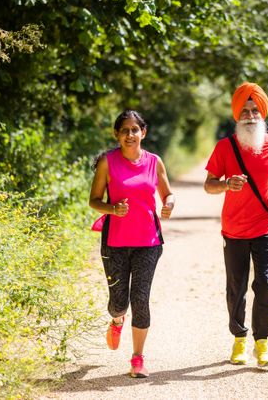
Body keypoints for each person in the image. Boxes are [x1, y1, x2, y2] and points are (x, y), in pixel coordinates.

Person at [204, 82, 268, 367]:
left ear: (262, 114)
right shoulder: (224, 147)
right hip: (235, 228)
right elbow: (208, 185)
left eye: (255, 111)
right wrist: (227, 184)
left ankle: (261, 344)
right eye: (245, 111)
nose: (250, 115)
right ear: (237, 115)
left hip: (266, 225)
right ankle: (239, 340)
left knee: (266, 283)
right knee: (236, 287)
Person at [89, 109, 175, 378]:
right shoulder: (107, 162)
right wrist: (112, 209)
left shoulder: (154, 162)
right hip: (114, 242)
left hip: (148, 242)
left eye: (134, 129)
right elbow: (94, 200)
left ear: (143, 133)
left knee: (140, 299)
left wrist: (169, 204)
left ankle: (137, 358)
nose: (129, 134)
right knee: (119, 302)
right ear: (117, 134)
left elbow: (168, 194)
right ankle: (116, 319)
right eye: (124, 130)